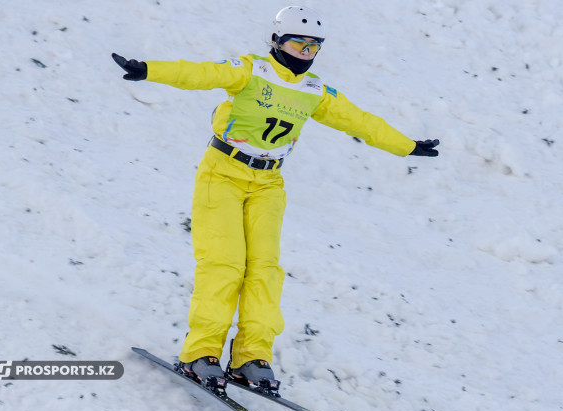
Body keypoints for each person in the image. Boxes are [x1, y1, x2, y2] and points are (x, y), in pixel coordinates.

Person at [112, 6, 439, 390]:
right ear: (277, 41)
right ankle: (200, 354)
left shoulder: (314, 91)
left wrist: (407, 146)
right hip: (223, 174)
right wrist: (148, 69)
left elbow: (360, 121)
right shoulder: (250, 70)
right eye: (298, 43)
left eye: (314, 47)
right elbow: (199, 73)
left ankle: (252, 357)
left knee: (265, 271)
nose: (305, 53)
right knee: (224, 264)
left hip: (268, 183)